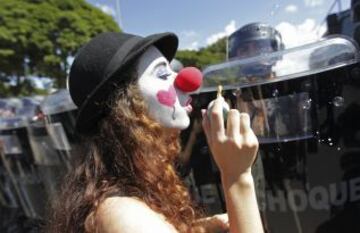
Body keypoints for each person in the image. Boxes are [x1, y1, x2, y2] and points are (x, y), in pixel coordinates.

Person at [47, 31, 263, 233]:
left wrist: (198, 227)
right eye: (162, 74)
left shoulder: (130, 188)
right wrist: (238, 176)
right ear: (127, 104)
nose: (187, 80)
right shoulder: (122, 215)